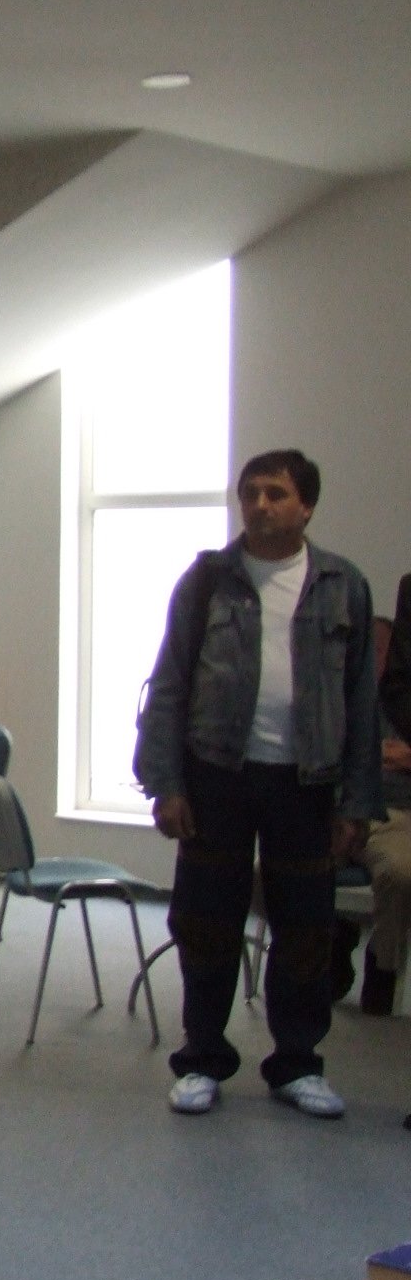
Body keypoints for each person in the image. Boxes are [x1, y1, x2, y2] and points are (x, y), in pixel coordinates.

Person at [133, 449, 382, 1120]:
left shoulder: (342, 585)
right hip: (217, 776)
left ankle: (297, 1063)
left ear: (307, 507)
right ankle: (201, 1058)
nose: (260, 505)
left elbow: (361, 703)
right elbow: (170, 682)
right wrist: (165, 783)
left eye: (275, 493)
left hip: (307, 783)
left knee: (305, 928)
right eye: (250, 493)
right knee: (206, 922)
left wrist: (358, 802)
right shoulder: (207, 582)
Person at [365, 579, 411, 1017]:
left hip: (400, 814)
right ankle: (332, 944)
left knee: (398, 871)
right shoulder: (350, 700)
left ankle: (382, 965)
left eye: (386, 650)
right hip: (359, 809)